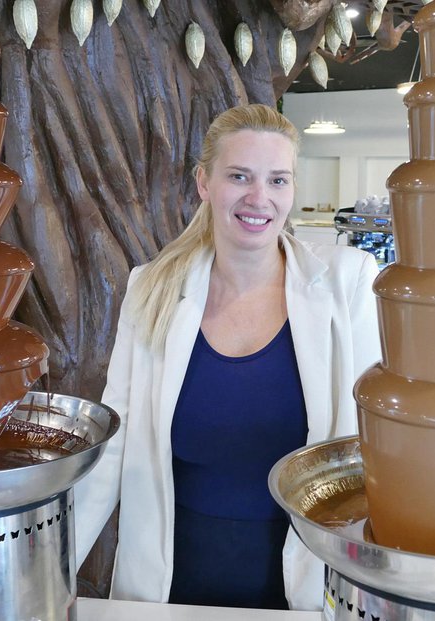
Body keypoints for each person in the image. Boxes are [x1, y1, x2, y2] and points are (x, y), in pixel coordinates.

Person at [73, 103, 381, 611]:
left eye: (278, 181)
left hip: (304, 584)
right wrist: (43, 574)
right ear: (204, 183)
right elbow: (114, 445)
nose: (260, 198)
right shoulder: (152, 288)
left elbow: (371, 446)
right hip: (172, 583)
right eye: (240, 176)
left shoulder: (346, 285)